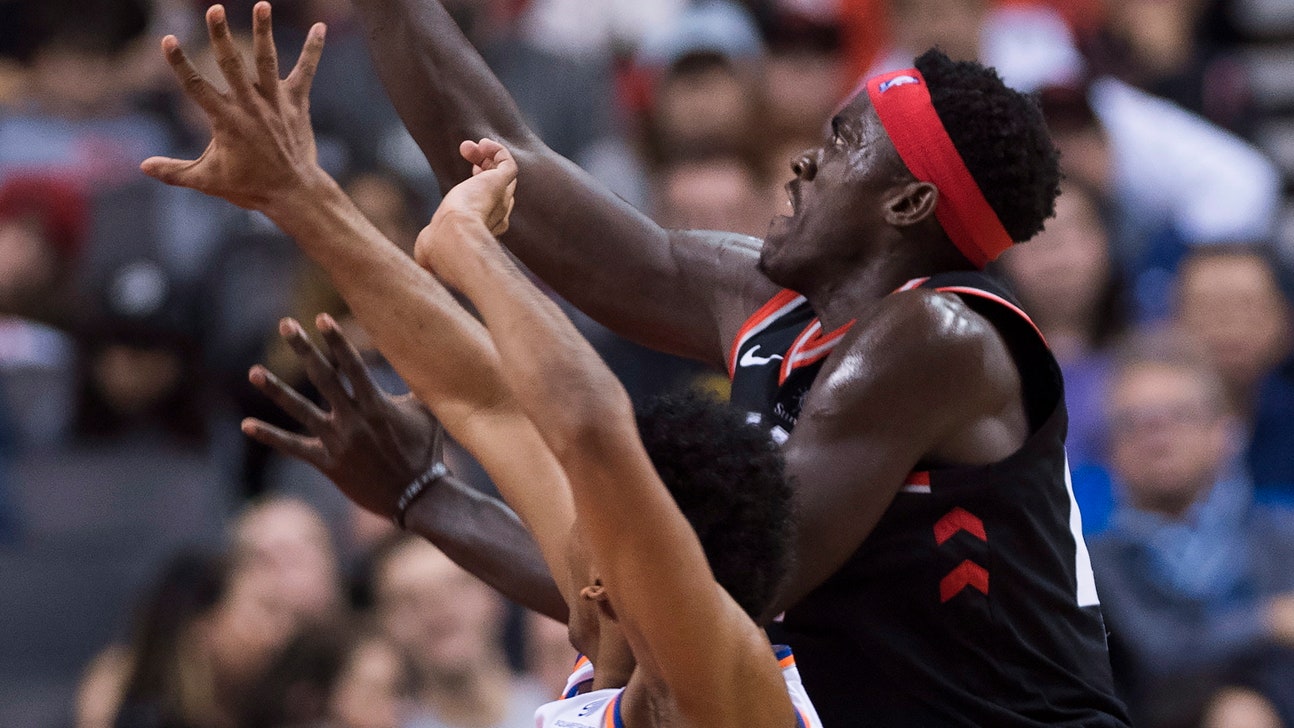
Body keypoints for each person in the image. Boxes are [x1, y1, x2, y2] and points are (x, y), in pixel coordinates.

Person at [142, 4, 1126, 726]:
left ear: (907, 206)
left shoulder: (941, 337)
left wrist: (445, 486)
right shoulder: (767, 303)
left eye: (838, 143)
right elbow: (507, 162)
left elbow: (701, 578)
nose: (800, 161)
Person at [142, 7, 819, 726]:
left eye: (595, 524)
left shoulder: (730, 696)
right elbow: (484, 400)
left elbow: (592, 429)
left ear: (636, 567)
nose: (567, 543)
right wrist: (298, 196)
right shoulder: (620, 654)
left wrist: (475, 252)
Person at [1090, 330, 1294, 728]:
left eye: (1178, 415)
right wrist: (1269, 621)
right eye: (1133, 422)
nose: (1157, 437)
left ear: (1227, 432)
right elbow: (1153, 653)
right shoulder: (1093, 564)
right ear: (1110, 449)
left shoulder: (1281, 537)